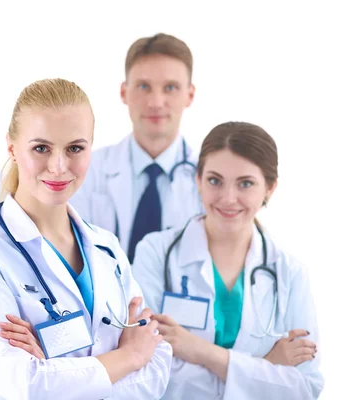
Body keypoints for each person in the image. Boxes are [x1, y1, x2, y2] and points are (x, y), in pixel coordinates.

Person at [0, 78, 172, 399]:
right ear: (12, 148)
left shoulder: (106, 247)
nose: (58, 166)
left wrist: (57, 373)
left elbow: (158, 361)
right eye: (41, 148)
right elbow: (22, 382)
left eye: (75, 149)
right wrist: (128, 356)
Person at [131, 121, 324, 398]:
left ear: (270, 188)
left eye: (245, 183)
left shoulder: (290, 274)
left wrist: (203, 352)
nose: (228, 198)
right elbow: (146, 370)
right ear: (198, 180)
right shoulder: (155, 253)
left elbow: (305, 388)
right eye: (215, 180)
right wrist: (266, 367)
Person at [70, 33, 203, 262]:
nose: (156, 102)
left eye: (170, 88)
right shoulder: (88, 169)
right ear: (124, 92)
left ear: (189, 95)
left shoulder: (208, 179)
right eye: (144, 86)